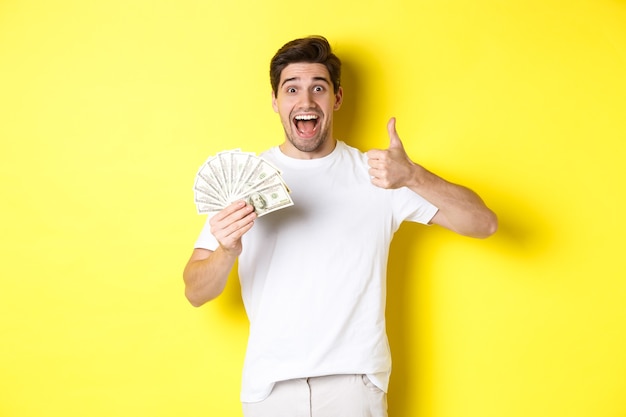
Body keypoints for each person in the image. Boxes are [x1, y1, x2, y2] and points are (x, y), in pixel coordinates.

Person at [183, 35, 497, 417]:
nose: (306, 101)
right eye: (292, 89)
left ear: (337, 98)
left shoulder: (380, 176)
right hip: (270, 389)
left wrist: (414, 176)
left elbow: (484, 224)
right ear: (275, 101)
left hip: (354, 385)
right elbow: (195, 291)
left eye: (319, 88)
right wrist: (226, 251)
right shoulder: (245, 180)